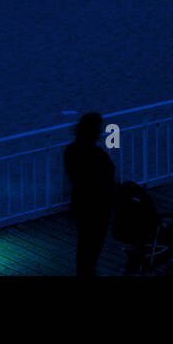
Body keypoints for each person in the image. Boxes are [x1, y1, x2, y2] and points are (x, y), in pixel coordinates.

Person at [63, 113, 116, 277]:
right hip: (98, 204)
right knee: (94, 242)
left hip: (81, 201)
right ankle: (89, 272)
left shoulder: (71, 150)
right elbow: (106, 178)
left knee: (84, 242)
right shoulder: (97, 154)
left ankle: (85, 272)